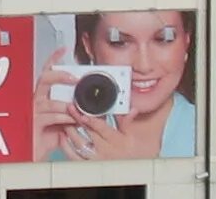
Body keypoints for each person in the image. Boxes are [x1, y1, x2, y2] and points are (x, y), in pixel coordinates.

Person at [33, 10, 197, 162]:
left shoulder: (214, 132)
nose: (143, 65)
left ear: (186, 41)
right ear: (88, 45)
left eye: (164, 39)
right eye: (119, 42)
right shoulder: (62, 133)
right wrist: (29, 156)